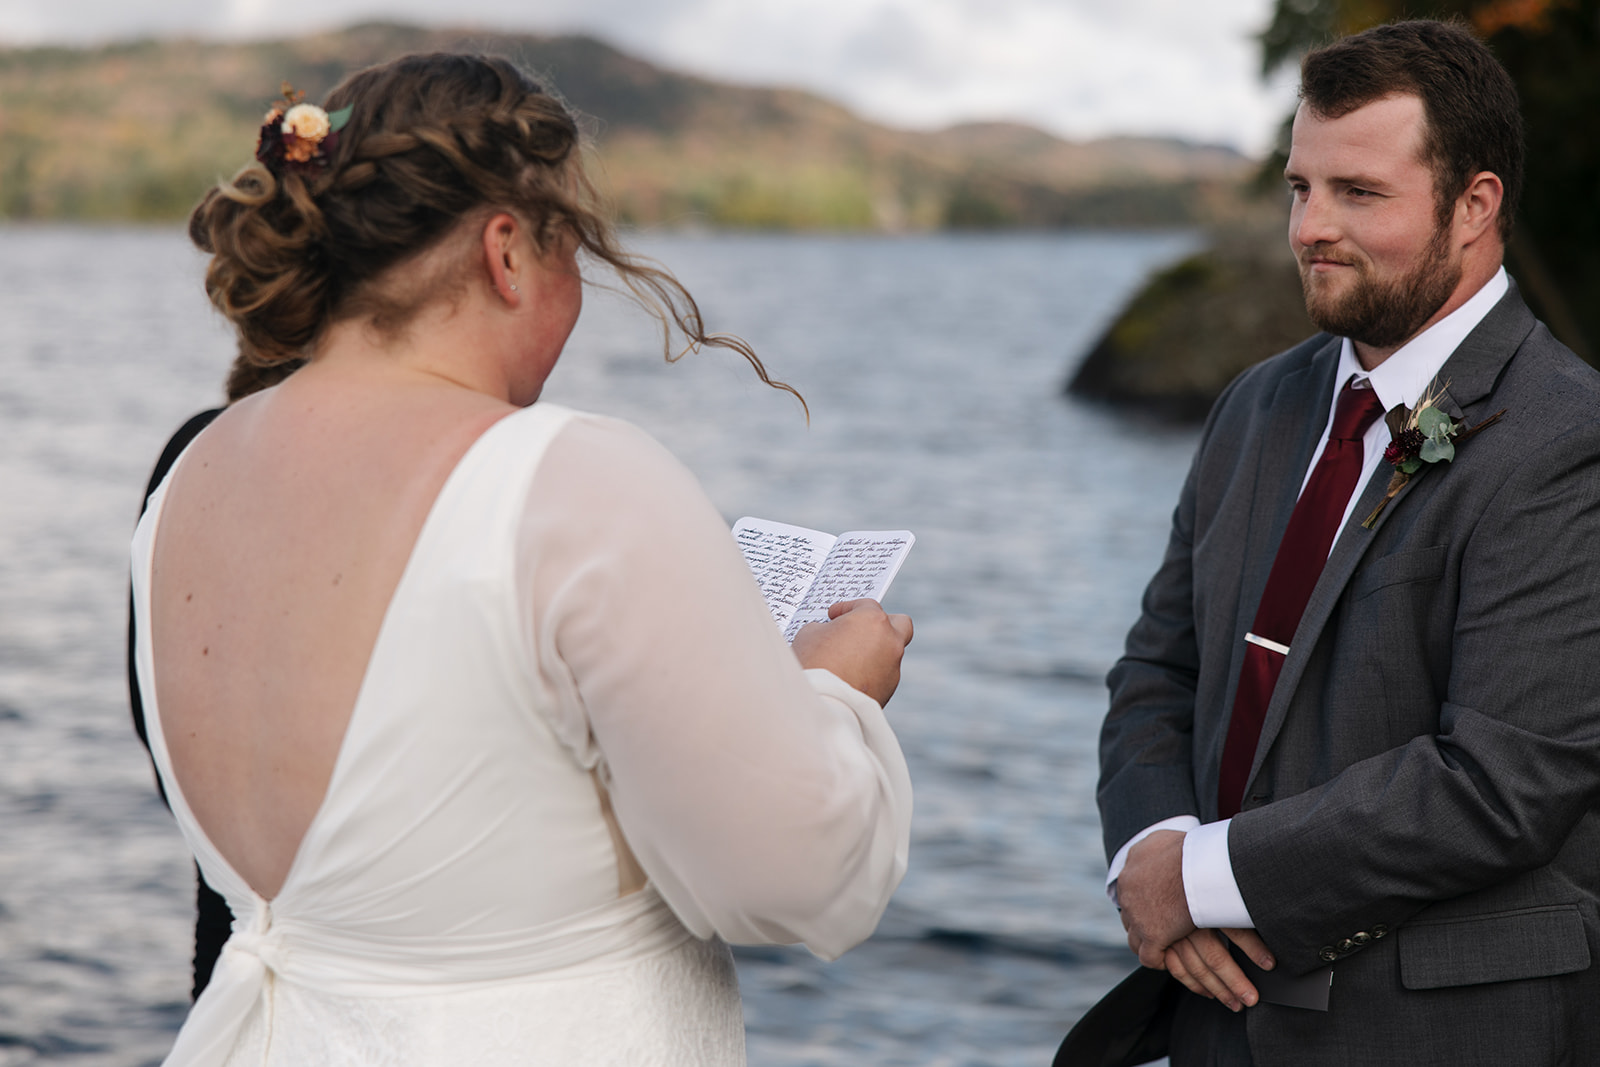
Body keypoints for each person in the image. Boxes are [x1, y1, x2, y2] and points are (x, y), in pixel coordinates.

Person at [129, 52, 915, 1065]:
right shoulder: (574, 478)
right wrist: (833, 694)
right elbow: (793, 876)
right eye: (569, 250)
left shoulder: (186, 479)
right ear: (506, 252)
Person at [1066, 20, 1600, 1067]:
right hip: (1213, 1012)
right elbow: (1156, 668)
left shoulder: (1568, 441)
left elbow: (1499, 782)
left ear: (1474, 205)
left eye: (1357, 192)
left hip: (1438, 1030)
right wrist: (1147, 850)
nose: (1311, 225)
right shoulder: (1255, 405)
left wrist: (1202, 875)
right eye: (1298, 187)